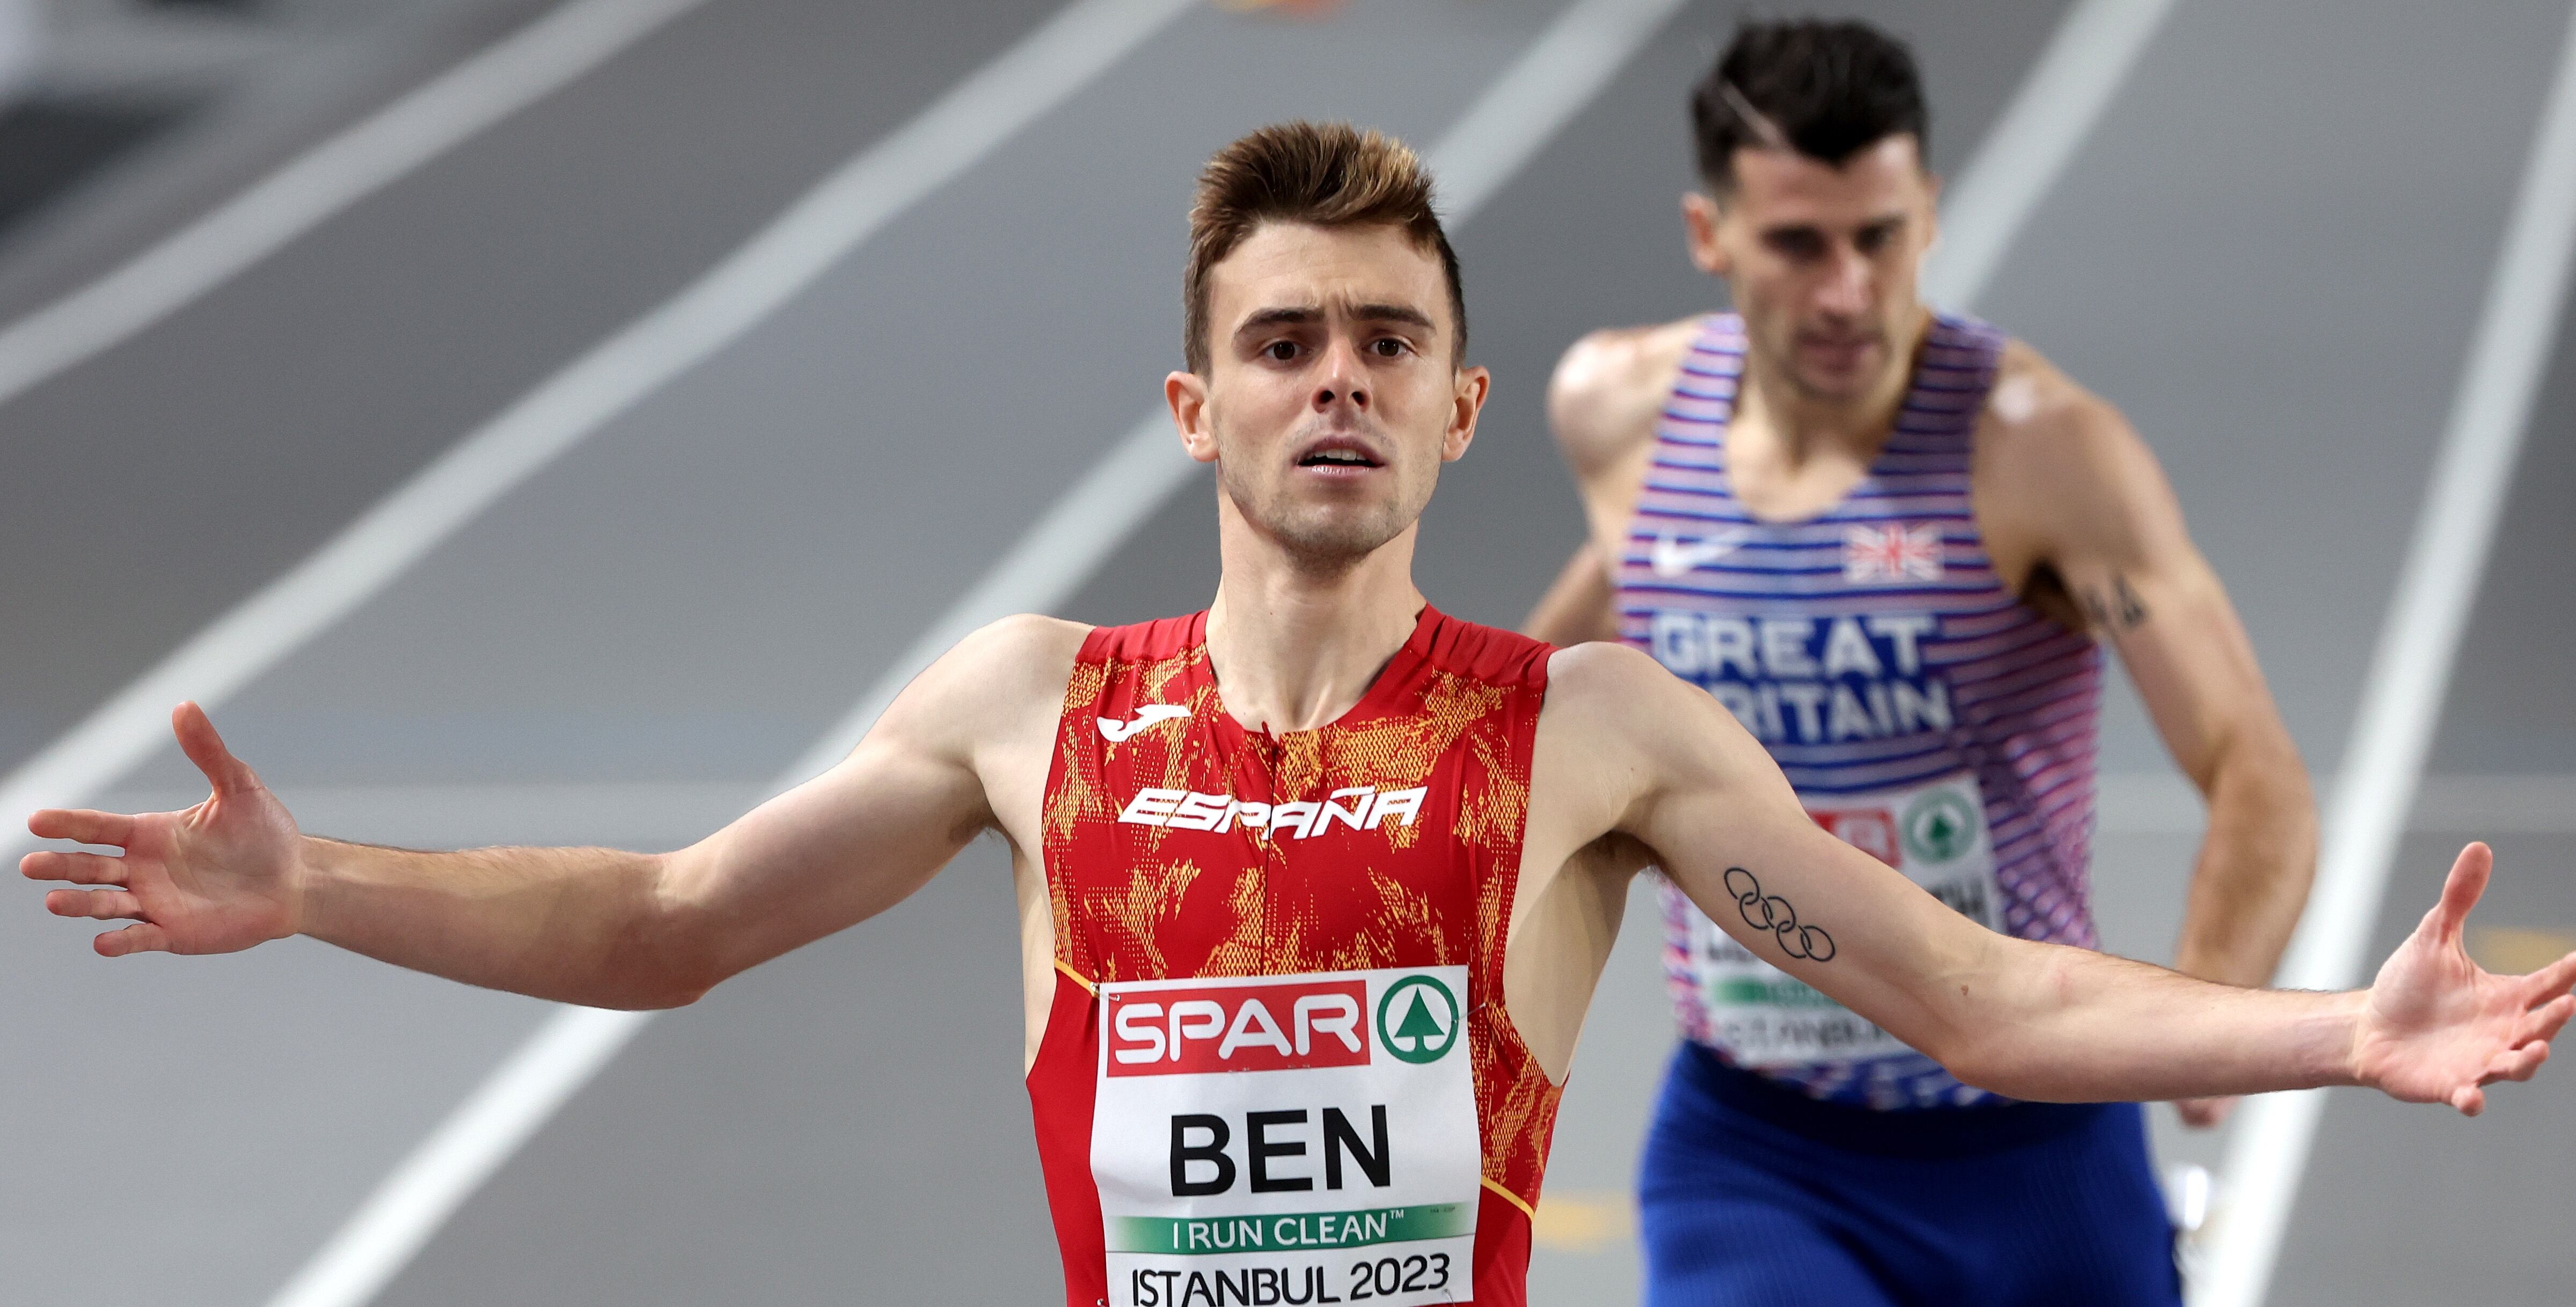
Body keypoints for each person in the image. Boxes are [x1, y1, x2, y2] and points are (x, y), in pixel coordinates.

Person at [26, 122, 2572, 1307]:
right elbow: (675, 918)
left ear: (1463, 414)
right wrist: (315, 886)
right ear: (1193, 407)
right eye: (1281, 342)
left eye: (1385, 342)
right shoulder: (1032, 709)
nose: (1332, 379)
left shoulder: (1594, 731)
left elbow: (1977, 993)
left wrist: (2329, 1031)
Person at [1520, 19, 2326, 1304]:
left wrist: (2207, 1020)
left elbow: (2255, 769)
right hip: (1757, 1150)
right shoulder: (1619, 414)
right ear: (1709, 234)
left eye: (1879, 235)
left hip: (2042, 1140)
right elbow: (1613, 601)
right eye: (1797, 243)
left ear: (1930, 213)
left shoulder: (2041, 455)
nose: (1847, 290)